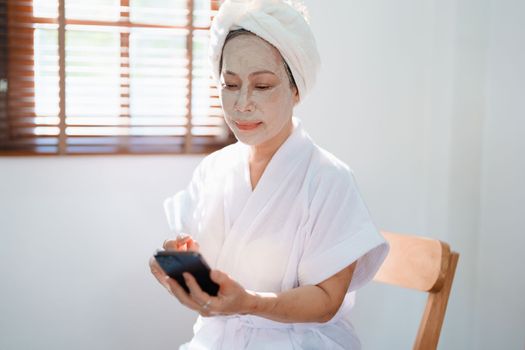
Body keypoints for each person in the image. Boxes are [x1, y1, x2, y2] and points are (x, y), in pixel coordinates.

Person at [149, 0, 389, 348]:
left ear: (295, 89)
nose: (242, 103)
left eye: (261, 86)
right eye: (230, 84)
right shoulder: (213, 170)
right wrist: (183, 263)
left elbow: (326, 301)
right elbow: (209, 265)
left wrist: (250, 303)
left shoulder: (328, 180)